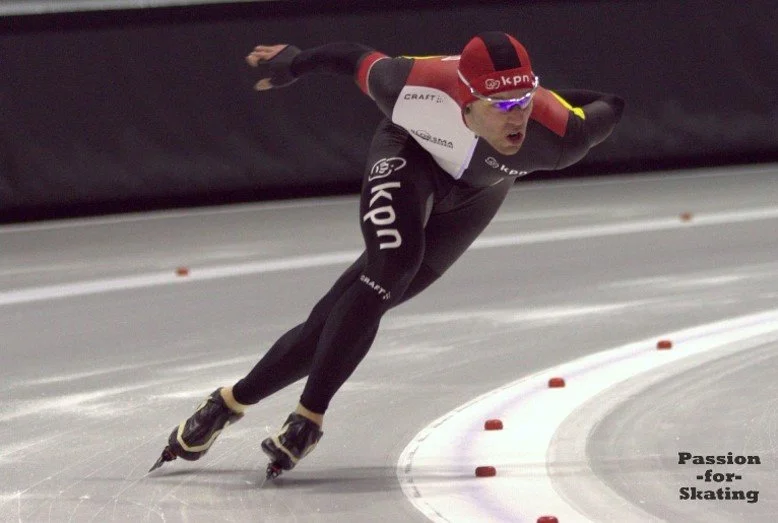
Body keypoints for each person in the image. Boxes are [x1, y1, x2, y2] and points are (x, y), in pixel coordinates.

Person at [150, 31, 624, 478]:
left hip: (477, 195)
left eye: (522, 101)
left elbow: (613, 102)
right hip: (409, 156)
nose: (516, 118)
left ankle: (228, 402)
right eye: (500, 105)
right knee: (391, 268)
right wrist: (296, 63)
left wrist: (544, 96)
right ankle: (309, 418)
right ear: (465, 99)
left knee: (349, 310)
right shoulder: (411, 86)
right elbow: (352, 57)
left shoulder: (562, 135)